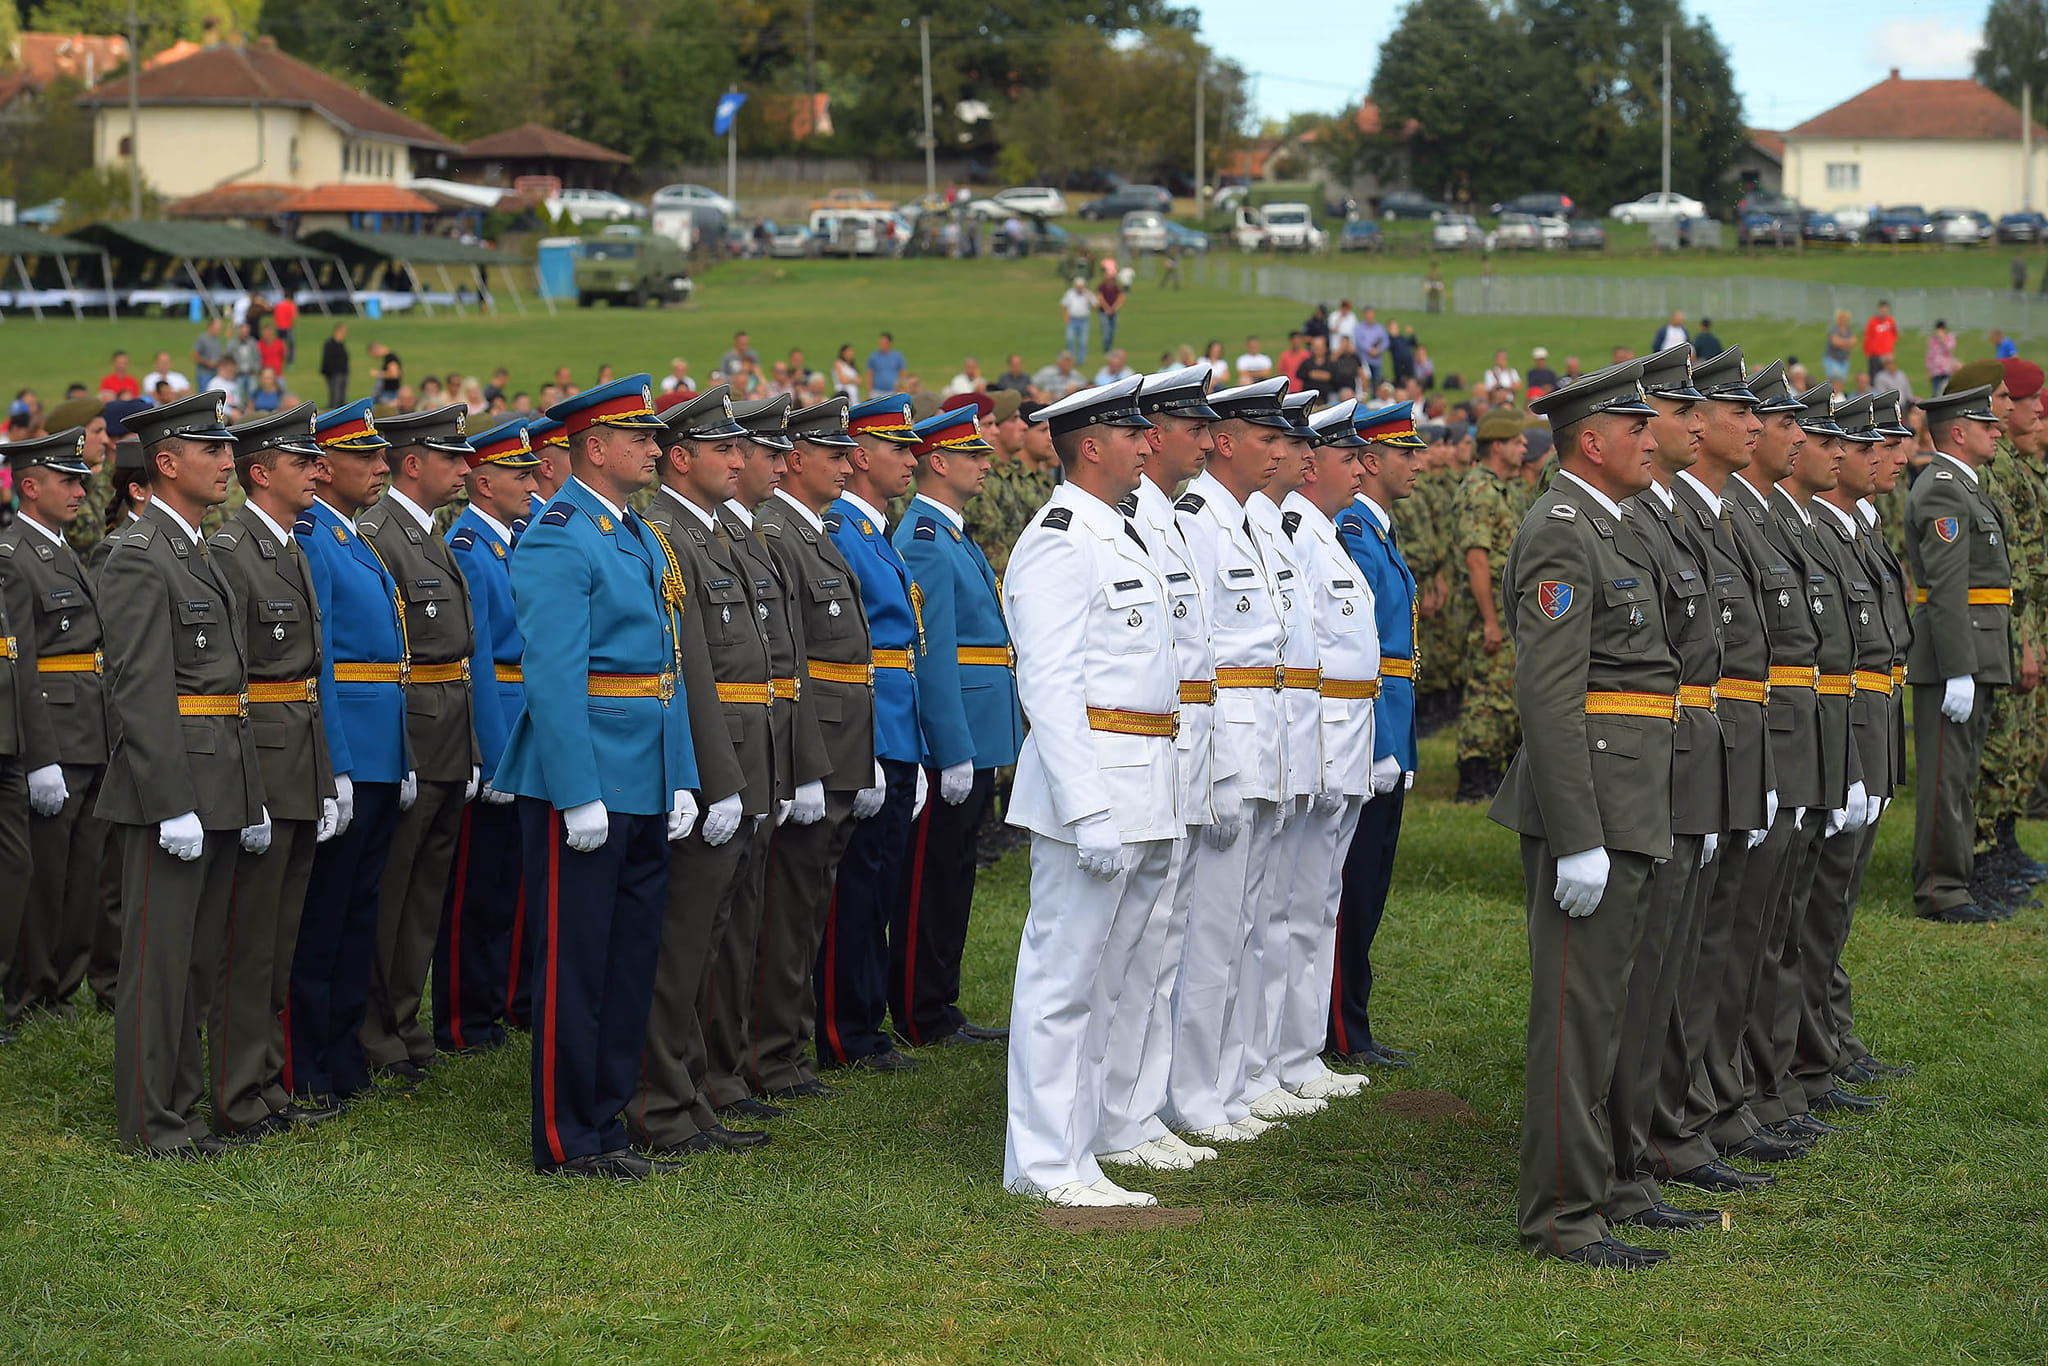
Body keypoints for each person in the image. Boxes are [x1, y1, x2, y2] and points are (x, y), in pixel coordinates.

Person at [1491, 358, 1679, 1269]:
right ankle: (1564, 1216)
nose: (1657, 440)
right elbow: (1550, 696)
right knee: (1575, 1017)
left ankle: (1608, 1185)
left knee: (1616, 1008)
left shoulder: (1619, 524)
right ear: (1593, 443)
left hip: (1635, 792)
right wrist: (1577, 838)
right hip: (1594, 802)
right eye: (1638, 430)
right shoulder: (1564, 531)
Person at [490, 373, 701, 1178]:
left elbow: (666, 668)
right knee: (575, 961)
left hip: (644, 772)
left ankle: (607, 1121)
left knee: (627, 958)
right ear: (594, 449)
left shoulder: (636, 533)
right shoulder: (559, 535)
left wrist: (678, 774)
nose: (656, 448)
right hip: (585, 779)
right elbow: (552, 674)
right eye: (641, 438)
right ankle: (564, 1134)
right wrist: (577, 790)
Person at [1002, 373, 1179, 1209]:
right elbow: (1049, 685)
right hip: (1096, 793)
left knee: (1106, 979)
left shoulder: (1122, 532)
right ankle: (1042, 1163)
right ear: (1093, 446)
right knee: (1062, 980)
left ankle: (1080, 1149)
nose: (1151, 442)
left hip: (1143, 782)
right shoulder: (1061, 538)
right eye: (1133, 432)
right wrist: (1087, 809)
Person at [96, 392, 265, 1156]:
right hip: (172, 788)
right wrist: (169, 801)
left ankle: (183, 1111)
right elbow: (138, 685)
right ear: (166, 463)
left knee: (196, 962)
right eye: (212, 450)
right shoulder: (139, 554)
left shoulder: (195, 545)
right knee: (159, 966)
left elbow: (228, 691)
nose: (229, 461)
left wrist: (250, 794)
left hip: (221, 778)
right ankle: (150, 1122)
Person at [1094, 364, 1235, 1176]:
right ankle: (1119, 1110)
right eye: (1187, 428)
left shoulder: (1159, 517)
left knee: (1165, 941)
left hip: (1178, 744)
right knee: (1135, 946)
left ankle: (1137, 1108)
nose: (1200, 442)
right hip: (1142, 749)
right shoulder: (1134, 516)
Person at [1602, 344, 1728, 1236]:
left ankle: (1643, 1145)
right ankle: (1610, 1164)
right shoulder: (1616, 518)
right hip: (1636, 767)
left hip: (1682, 756)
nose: (1664, 434)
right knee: (1628, 984)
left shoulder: (1669, 512)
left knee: (1667, 972)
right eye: (1658, 416)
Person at [629, 385, 771, 1157]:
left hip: (741, 756)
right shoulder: (668, 537)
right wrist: (710, 778)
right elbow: (686, 675)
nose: (739, 459)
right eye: (723, 449)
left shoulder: (713, 536)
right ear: (679, 460)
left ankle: (693, 1092)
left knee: (710, 939)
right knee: (680, 943)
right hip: (710, 763)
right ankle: (662, 1102)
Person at [206, 404, 342, 1136]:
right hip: (261, 759)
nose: (319, 471)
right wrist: (250, 791)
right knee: (248, 942)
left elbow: (304, 677)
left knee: (279, 940)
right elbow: (234, 680)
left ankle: (264, 1084)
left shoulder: (287, 545)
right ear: (261, 474)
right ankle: (235, 1094)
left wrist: (322, 777)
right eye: (303, 463)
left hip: (298, 757)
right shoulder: (234, 549)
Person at [1168, 377, 1293, 1145]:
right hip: (1227, 734)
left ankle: (1233, 1074)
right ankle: (1194, 1090)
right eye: (1267, 438)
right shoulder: (1198, 521)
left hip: (1265, 728)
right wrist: (1209, 760)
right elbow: (1198, 652)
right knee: (1210, 929)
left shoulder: (1243, 520)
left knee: (1247, 920)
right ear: (1224, 441)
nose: (1281, 452)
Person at [750, 396, 873, 1100]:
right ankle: (771, 1054)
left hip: (837, 739)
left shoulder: (812, 532)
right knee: (786, 908)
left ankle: (786, 1050)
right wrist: (799, 763)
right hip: (810, 743)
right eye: (835, 455)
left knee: (807, 904)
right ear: (796, 461)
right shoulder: (778, 535)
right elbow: (786, 662)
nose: (848, 465)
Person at [289, 399, 411, 1113]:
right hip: (349, 752)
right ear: (324, 466)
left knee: (359, 910)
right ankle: (309, 1060)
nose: (382, 467)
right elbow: (324, 659)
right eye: (365, 458)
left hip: (380, 751)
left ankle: (342, 1052)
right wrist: (334, 759)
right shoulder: (316, 539)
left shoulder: (354, 537)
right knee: (325, 914)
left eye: (381, 456)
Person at [353, 407, 481, 1087]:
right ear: (413, 463)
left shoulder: (426, 532)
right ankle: (377, 1027)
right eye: (451, 457)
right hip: (413, 731)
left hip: (448, 732)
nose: (466, 468)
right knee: (393, 889)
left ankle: (403, 1018)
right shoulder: (379, 533)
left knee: (425, 890)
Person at [889, 405, 1022, 1047]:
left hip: (977, 723)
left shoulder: (952, 534)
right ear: (936, 464)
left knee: (955, 870)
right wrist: (950, 744)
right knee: (932, 877)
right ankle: (921, 1010)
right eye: (971, 455)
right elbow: (931, 649)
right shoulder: (925, 539)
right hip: (955, 730)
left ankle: (940, 1002)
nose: (985, 463)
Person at [714, 396, 832, 1111]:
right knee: (727, 926)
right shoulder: (716, 536)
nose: (774, 464)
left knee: (762, 914)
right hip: (737, 744)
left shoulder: (752, 534)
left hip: (770, 739)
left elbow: (788, 665)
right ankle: (725, 1067)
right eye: (762, 452)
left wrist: (802, 763)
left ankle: (744, 1062)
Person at [818, 394, 928, 1071]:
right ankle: (844, 1029)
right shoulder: (841, 533)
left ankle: (865, 1020)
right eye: (899, 449)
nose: (912, 461)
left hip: (894, 719)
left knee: (881, 877)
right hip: (869, 722)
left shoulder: (872, 533)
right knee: (858, 881)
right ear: (861, 458)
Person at [0, 427, 112, 1025]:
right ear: (29, 486)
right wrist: (38, 754)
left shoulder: (62, 549)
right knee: (43, 876)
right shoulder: (13, 556)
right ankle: (31, 991)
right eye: (66, 481)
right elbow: (16, 663)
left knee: (84, 868)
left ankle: (65, 985)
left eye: (80, 480)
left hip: (89, 724)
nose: (79, 490)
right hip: (52, 729)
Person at [436, 417, 540, 1056]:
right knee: (479, 886)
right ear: (482, 483)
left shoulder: (516, 538)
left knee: (516, 880)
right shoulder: (470, 547)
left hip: (527, 710)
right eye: (519, 475)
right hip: (499, 717)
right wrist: (493, 751)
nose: (533, 484)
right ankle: (464, 1017)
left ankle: (509, 999)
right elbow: (476, 656)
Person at [1328, 402, 1425, 1069]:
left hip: (1392, 718)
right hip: (1371, 725)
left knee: (1371, 882)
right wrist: (1385, 741)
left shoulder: (1376, 531)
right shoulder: (1354, 534)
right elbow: (1360, 647)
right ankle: (1340, 1025)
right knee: (1351, 885)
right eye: (1404, 453)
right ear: (1369, 463)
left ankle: (1351, 1019)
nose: (1417, 463)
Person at [1908, 382, 2013, 922]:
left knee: (1962, 776)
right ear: (1959, 432)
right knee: (1947, 780)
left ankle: (1954, 882)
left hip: (1973, 650)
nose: (1998, 431)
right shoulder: (1945, 489)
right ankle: (1939, 891)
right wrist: (1958, 670)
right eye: (1987, 424)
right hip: (1957, 655)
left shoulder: (1964, 487)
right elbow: (1947, 588)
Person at [1451, 411, 1527, 800]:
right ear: (1497, 446)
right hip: (1489, 612)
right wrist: (1490, 621)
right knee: (1484, 696)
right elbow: (1477, 559)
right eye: (1516, 442)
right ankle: (1473, 776)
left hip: (1501, 610)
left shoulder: (1500, 488)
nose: (1524, 447)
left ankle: (1493, 770)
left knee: (1501, 695)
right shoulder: (1479, 490)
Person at [866, 333, 908, 397]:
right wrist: (870, 391)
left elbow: (902, 373)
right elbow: (869, 374)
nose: (882, 345)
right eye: (881, 343)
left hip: (893, 391)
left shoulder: (897, 356)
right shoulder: (874, 357)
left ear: (890, 343)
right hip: (877, 392)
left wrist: (902, 388)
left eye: (884, 343)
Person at [1096, 262, 1125, 356]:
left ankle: (1110, 348)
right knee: (1106, 332)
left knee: (1113, 331)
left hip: (1114, 312)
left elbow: (1121, 297)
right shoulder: (1101, 287)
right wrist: (1107, 308)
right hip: (1104, 312)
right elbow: (1100, 298)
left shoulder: (1116, 287)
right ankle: (1106, 350)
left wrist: (1115, 308)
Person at [319, 325, 351, 409]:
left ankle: (342, 411)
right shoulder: (329, 344)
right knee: (335, 396)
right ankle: (331, 411)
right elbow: (328, 360)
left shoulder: (341, 344)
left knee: (342, 396)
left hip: (343, 373)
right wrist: (331, 373)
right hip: (334, 374)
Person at [1823, 311, 1854, 388]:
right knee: (1835, 380)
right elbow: (1835, 342)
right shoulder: (1833, 329)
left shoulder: (1848, 330)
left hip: (1844, 359)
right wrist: (1847, 342)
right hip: (1833, 359)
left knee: (1841, 381)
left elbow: (1853, 341)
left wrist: (1842, 342)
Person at [193, 320, 225, 393]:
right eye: (217, 328)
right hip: (204, 373)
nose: (219, 330)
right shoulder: (202, 339)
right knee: (204, 394)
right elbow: (194, 355)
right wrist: (208, 363)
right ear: (210, 327)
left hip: (216, 373)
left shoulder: (217, 340)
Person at [1926, 322, 1957, 396]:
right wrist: (1928, 369)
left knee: (1947, 392)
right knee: (1936, 393)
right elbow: (1930, 355)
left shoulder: (1950, 338)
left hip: (1947, 370)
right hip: (1935, 371)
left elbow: (1949, 349)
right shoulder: (1932, 339)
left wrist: (1943, 339)